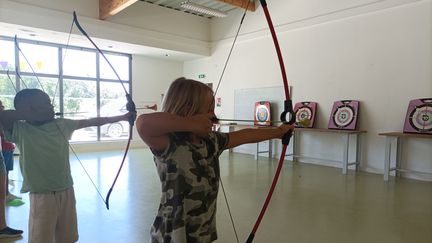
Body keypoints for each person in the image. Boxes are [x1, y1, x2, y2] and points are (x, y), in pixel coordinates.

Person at [136, 77, 294, 243]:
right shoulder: (169, 143)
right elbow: (143, 123)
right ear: (188, 110)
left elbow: (244, 135)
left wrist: (278, 132)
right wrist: (191, 124)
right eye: (209, 109)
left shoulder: (211, 141)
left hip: (202, 230)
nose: (213, 116)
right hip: (172, 234)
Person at [0, 89, 136, 243]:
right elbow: (3, 116)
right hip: (41, 195)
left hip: (66, 190)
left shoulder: (61, 124)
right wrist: (30, 115)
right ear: (28, 109)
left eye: (50, 103)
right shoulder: (21, 129)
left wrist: (123, 117)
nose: (51, 107)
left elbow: (92, 121)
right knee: (40, 237)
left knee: (68, 236)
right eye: (45, 103)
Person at [0, 100, 22, 205]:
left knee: (6, 172)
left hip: (7, 148)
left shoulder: (4, 118)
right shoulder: (3, 119)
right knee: (5, 172)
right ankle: (6, 194)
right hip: (4, 149)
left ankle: (6, 193)